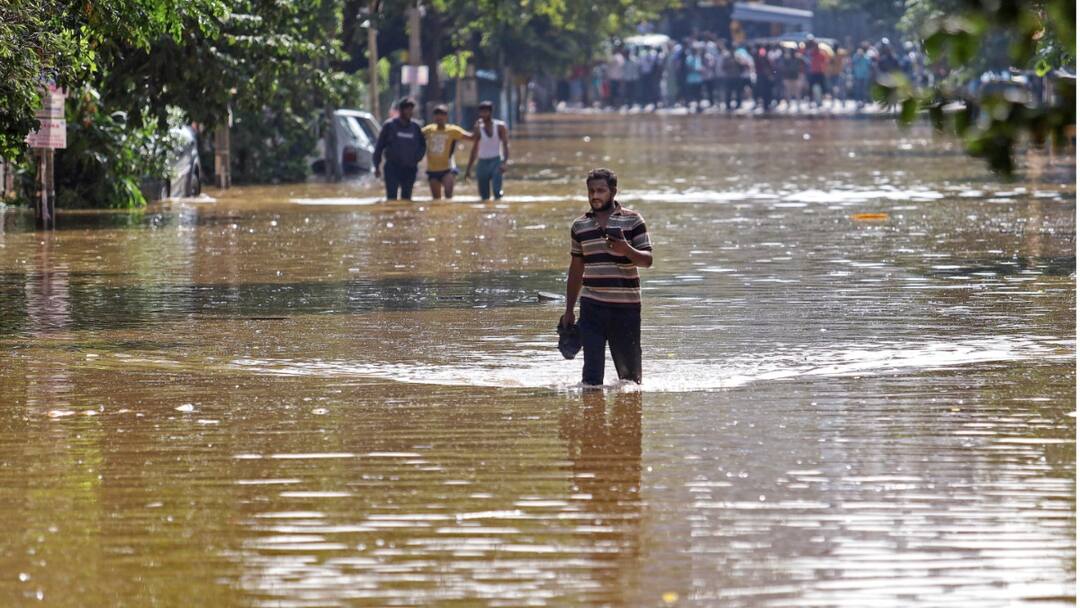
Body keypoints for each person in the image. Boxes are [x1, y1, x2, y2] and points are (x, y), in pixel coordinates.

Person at [560, 168, 653, 387]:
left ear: (613, 191)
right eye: (591, 191)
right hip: (592, 307)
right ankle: (592, 418)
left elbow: (647, 261)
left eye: (600, 190)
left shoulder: (633, 220)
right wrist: (569, 310)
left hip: (626, 308)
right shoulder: (579, 226)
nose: (595, 195)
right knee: (591, 379)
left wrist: (626, 249)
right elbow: (576, 270)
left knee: (630, 381)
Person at [372, 97, 426, 201]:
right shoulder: (389, 125)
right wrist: (376, 165)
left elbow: (422, 146)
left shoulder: (416, 127)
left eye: (411, 109)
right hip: (392, 168)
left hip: (410, 169)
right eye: (407, 109)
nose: (410, 112)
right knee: (391, 199)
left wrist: (416, 158)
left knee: (406, 199)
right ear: (401, 110)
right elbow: (379, 147)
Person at [421, 105, 471, 200]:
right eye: (437, 115)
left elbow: (470, 137)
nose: (439, 117)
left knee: (449, 196)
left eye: (442, 115)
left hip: (448, 168)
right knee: (436, 200)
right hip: (432, 170)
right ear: (434, 117)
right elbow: (415, 137)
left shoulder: (453, 130)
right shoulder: (428, 130)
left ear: (446, 116)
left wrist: (478, 130)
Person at [464, 100, 509, 201]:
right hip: (482, 162)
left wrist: (504, 162)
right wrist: (468, 169)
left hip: (496, 161)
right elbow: (474, 149)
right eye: (481, 112)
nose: (483, 114)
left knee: (497, 192)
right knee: (484, 196)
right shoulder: (478, 128)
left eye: (485, 112)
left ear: (490, 112)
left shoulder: (500, 126)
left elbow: (505, 145)